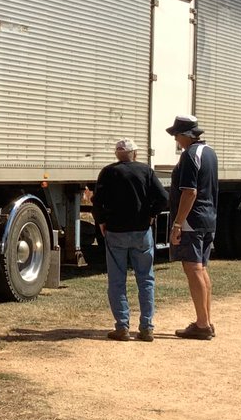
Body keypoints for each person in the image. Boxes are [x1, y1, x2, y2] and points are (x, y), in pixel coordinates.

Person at [93, 138, 169, 342]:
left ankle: (122, 327)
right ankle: (146, 327)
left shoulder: (108, 172)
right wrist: (151, 214)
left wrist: (101, 221)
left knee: (117, 280)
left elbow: (97, 201)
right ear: (134, 153)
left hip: (115, 232)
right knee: (146, 279)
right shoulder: (145, 171)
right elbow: (163, 197)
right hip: (142, 231)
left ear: (117, 154)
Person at [166, 114, 219, 340]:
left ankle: (202, 323)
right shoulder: (209, 152)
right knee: (202, 269)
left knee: (193, 268)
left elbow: (190, 192)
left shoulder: (190, 155)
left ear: (186, 136)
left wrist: (178, 223)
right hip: (208, 218)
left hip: (192, 220)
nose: (176, 140)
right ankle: (206, 319)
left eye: (177, 135)